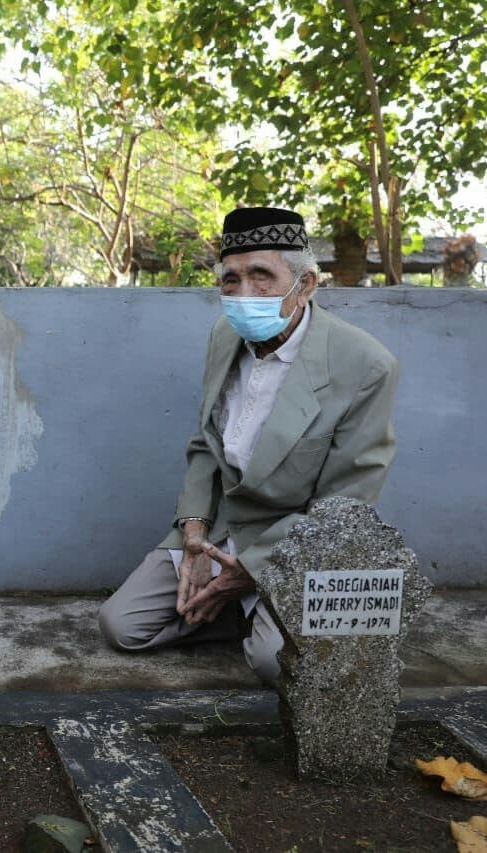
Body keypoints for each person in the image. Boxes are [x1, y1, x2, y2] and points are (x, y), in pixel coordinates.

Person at [98, 207, 398, 684]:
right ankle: (241, 610)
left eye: (262, 275)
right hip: (219, 527)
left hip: (294, 538)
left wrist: (252, 569)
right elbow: (205, 444)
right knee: (123, 627)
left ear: (306, 285)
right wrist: (194, 533)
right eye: (230, 279)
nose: (243, 294)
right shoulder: (225, 335)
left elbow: (345, 503)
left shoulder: (364, 365)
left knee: (270, 665)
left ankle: (250, 604)